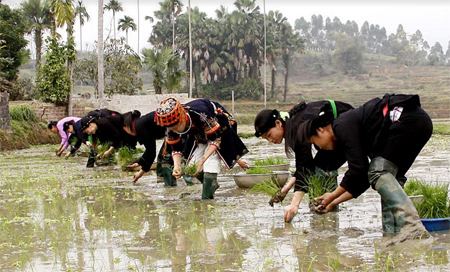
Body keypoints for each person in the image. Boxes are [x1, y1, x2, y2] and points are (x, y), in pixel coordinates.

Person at [296, 93, 432, 236]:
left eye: (314, 142)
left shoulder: (341, 126)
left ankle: (412, 226)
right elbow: (362, 179)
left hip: (408, 121)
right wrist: (333, 201)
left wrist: (333, 195)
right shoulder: (345, 128)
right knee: (388, 178)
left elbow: (359, 170)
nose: (318, 147)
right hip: (417, 123)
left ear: (320, 129)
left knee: (378, 171)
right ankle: (395, 234)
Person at [254, 100, 354, 223]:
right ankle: (323, 214)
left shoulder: (296, 127)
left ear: (278, 123)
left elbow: (304, 166)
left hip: (346, 129)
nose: (270, 140)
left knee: (322, 171)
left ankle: (327, 215)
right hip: (338, 131)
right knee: (317, 169)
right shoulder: (293, 123)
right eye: (266, 138)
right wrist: (285, 189)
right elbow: (304, 164)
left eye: (269, 134)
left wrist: (294, 205)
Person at [154, 97, 249, 199]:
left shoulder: (201, 115)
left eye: (176, 127)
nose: (174, 130)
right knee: (191, 166)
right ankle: (211, 184)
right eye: (171, 128)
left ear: (182, 118)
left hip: (219, 127)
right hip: (198, 133)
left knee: (210, 162)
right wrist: (177, 166)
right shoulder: (170, 126)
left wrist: (202, 161)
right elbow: (175, 148)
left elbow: (215, 140)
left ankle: (207, 199)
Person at [121, 110, 177, 186]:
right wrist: (139, 163)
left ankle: (171, 188)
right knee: (161, 158)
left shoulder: (139, 127)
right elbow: (150, 150)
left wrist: (140, 171)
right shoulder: (141, 124)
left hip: (174, 129)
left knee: (166, 160)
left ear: (127, 126)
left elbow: (151, 152)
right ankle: (162, 180)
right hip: (170, 131)